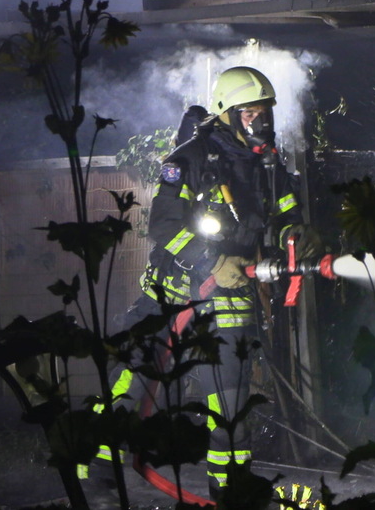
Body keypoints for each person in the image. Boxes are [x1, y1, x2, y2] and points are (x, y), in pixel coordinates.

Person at [86, 66, 320, 499]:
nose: (261, 123)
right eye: (250, 114)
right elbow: (163, 225)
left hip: (230, 301)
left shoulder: (268, 164)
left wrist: (295, 235)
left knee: (229, 404)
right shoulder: (189, 159)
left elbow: (287, 212)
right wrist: (211, 262)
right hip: (172, 294)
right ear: (226, 114)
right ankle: (98, 476)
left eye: (265, 112)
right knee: (130, 381)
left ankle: (230, 489)